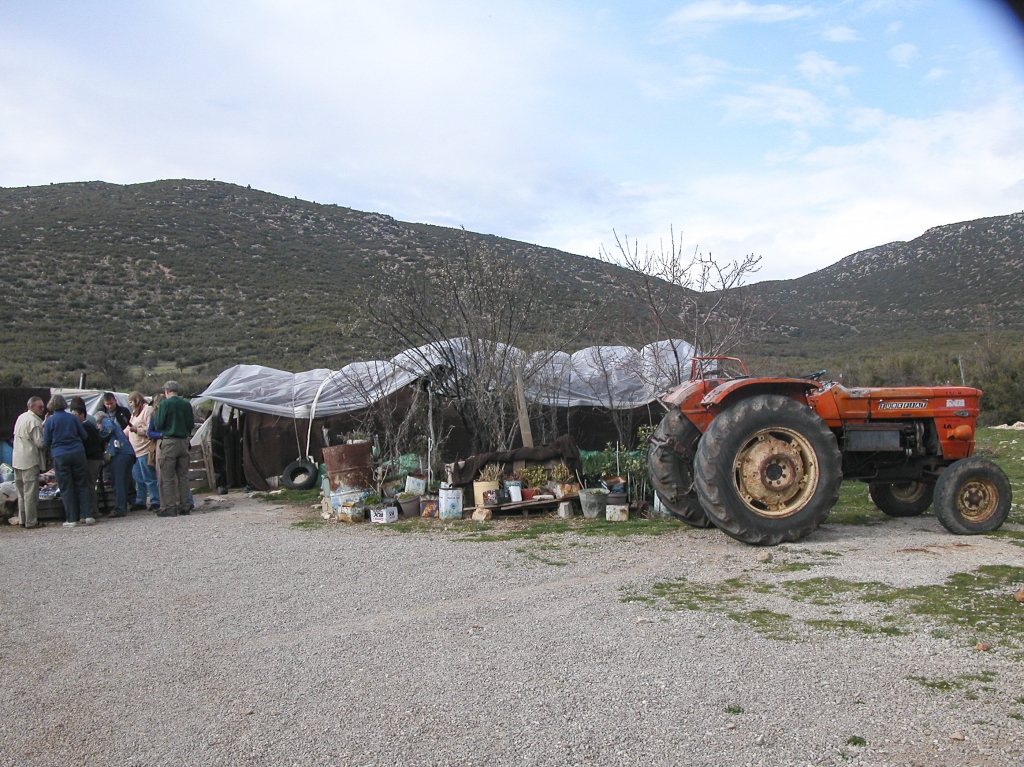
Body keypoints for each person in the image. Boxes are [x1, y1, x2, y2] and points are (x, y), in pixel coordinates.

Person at [42, 394, 92, 527]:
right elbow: (84, 435)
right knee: (82, 484)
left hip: (60, 454)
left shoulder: (50, 421)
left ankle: (71, 518)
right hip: (77, 452)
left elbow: (46, 441)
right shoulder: (72, 418)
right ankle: (86, 515)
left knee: (66, 486)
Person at [153, 381, 194, 517]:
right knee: (183, 476)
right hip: (183, 441)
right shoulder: (186, 404)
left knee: (168, 476)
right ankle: (185, 506)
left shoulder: (164, 404)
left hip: (169, 441)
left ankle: (170, 507)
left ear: (166, 391)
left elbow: (158, 423)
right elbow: (190, 424)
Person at [12, 397, 46, 529]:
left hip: (17, 459)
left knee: (21, 493)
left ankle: (22, 519)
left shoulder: (21, 417)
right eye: (40, 407)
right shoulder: (34, 422)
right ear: (31, 407)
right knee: (30, 493)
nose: (42, 409)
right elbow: (40, 443)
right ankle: (31, 521)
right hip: (29, 461)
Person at [97, 411, 136, 517]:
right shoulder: (117, 427)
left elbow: (108, 429)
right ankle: (127, 504)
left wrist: (100, 436)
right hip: (129, 453)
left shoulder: (106, 420)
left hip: (119, 454)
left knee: (118, 482)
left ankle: (120, 508)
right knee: (125, 482)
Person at [71, 402, 106, 519]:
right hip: (96, 458)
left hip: (92, 459)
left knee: (90, 485)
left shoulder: (85, 427)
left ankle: (93, 511)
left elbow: (89, 444)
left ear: (82, 415)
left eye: (76, 414)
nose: (74, 417)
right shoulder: (90, 425)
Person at [126, 391, 159, 511]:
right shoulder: (134, 414)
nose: (130, 404)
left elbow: (148, 428)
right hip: (135, 451)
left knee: (149, 477)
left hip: (144, 449)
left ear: (136, 400)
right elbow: (128, 428)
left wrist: (137, 430)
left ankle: (156, 500)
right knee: (138, 478)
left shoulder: (147, 410)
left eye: (131, 402)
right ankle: (140, 501)